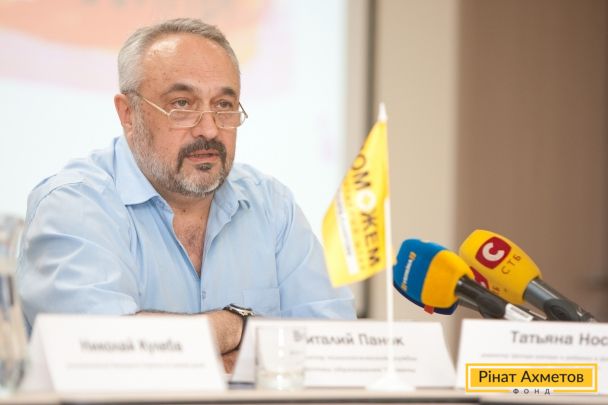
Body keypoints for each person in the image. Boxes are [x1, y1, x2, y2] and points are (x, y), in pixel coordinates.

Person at [16, 18, 355, 372]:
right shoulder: (74, 205)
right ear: (128, 114)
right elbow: (100, 355)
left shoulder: (272, 205)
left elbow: (337, 348)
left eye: (224, 105)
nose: (209, 129)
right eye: (182, 104)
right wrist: (236, 327)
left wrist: (186, 355)